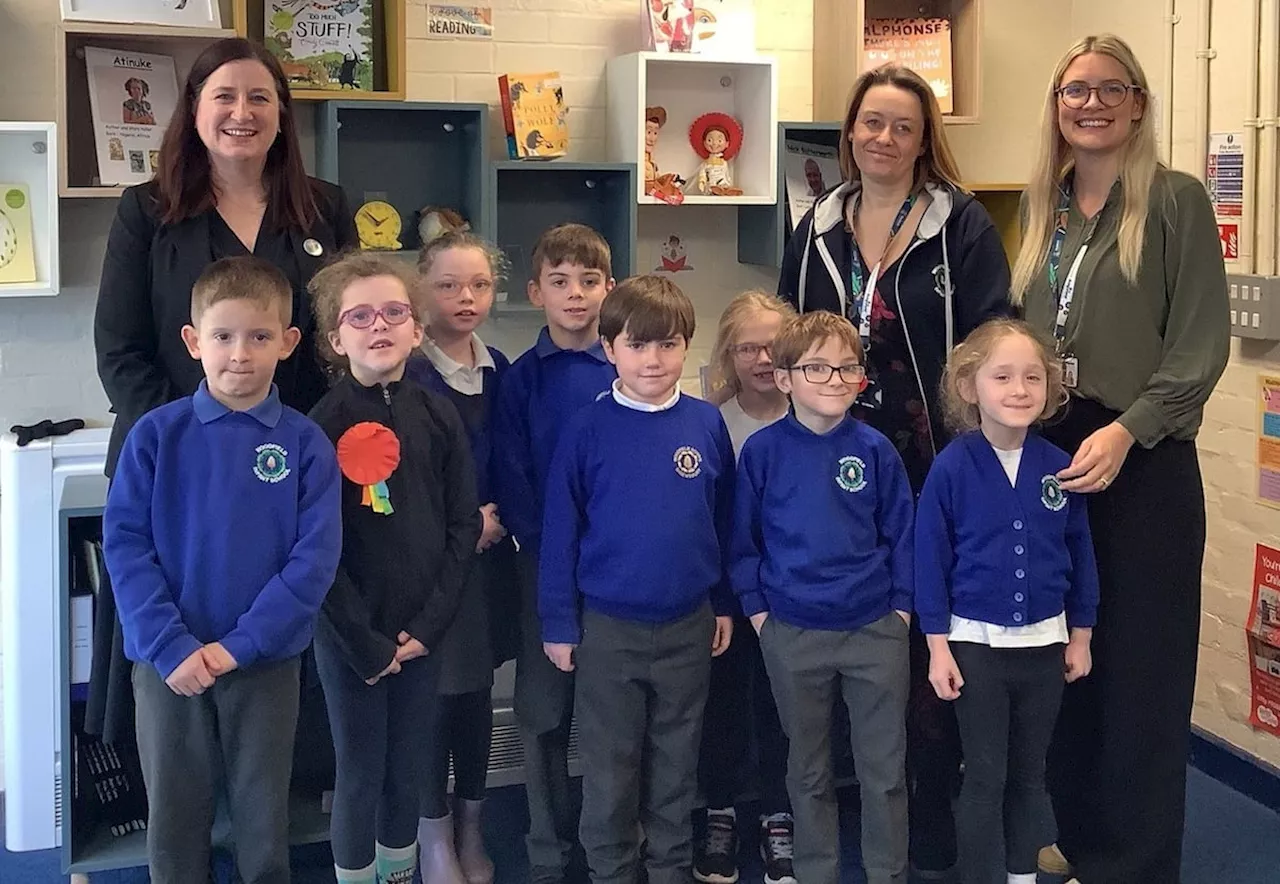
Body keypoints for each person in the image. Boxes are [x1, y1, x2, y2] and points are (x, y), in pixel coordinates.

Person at [776, 63, 1012, 876]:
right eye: (870, 122)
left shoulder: (961, 224)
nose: (883, 137)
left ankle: (930, 803)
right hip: (829, 452)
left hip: (931, 457)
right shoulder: (815, 224)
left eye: (902, 126)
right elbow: (787, 329)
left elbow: (988, 335)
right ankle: (852, 794)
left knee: (925, 631)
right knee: (848, 623)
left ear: (924, 141)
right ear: (849, 132)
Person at [91, 37, 354, 747]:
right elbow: (120, 352)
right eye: (225, 96)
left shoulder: (325, 211)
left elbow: (342, 343)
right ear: (196, 112)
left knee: (277, 683)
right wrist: (192, 443)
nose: (243, 112)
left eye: (260, 97)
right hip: (173, 473)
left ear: (282, 114)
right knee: (175, 702)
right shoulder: (147, 211)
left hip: (288, 473)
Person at [1012, 35, 1230, 884]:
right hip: (1056, 454)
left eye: (1111, 89)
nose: (1090, 103)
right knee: (1068, 658)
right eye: (1074, 90)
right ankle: (1079, 834)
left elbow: (1200, 346)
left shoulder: (1175, 202)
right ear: (1057, 105)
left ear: (1138, 104)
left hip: (1141, 463)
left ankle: (1136, 862)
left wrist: (1130, 428)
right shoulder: (1045, 207)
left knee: (1140, 669)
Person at [102, 256, 343, 884]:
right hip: (167, 664)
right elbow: (126, 546)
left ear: (289, 343)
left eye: (261, 336)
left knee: (263, 813)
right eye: (223, 336)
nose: (241, 354)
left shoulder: (305, 443)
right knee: (176, 814)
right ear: (193, 340)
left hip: (263, 661)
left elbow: (313, 561)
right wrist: (169, 646)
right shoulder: (155, 435)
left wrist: (238, 647)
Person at [539, 275, 736, 884]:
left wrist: (723, 603)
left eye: (669, 345)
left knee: (677, 763)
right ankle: (612, 871)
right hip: (608, 629)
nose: (654, 360)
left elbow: (723, 521)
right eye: (637, 345)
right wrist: (558, 623)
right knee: (611, 766)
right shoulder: (586, 428)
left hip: (688, 624)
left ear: (687, 348)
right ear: (609, 350)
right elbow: (559, 533)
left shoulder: (705, 424)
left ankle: (670, 868)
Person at [307, 253, 481, 884]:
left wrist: (429, 628)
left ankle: (400, 874)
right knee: (360, 769)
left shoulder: (439, 417)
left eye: (394, 312)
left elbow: (464, 525)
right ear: (335, 338)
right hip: (352, 638)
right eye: (360, 316)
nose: (378, 326)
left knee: (408, 766)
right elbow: (313, 550)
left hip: (421, 636)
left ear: (416, 329)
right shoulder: (318, 428)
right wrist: (364, 642)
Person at [732, 310, 915, 884]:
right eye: (817, 368)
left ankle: (887, 873)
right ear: (784, 378)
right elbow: (743, 540)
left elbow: (902, 536)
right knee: (807, 769)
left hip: (874, 632)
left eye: (846, 368)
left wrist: (902, 612)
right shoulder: (762, 453)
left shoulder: (877, 449)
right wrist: (760, 615)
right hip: (793, 632)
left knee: (883, 769)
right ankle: (816, 871)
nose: (834, 380)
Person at [914, 319, 1099, 884]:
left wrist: (1082, 634)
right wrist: (937, 647)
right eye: (1003, 377)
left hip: (1045, 646)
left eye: (1032, 378)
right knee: (985, 773)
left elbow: (1080, 552)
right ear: (971, 387)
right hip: (976, 647)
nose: (1019, 390)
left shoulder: (1057, 466)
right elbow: (931, 560)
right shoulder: (952, 467)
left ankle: (1022, 875)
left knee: (1029, 773)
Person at [491, 222, 618, 884]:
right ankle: (547, 848)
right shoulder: (520, 381)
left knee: (611, 715)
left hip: (618, 576)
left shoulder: (629, 370)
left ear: (610, 288)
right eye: (560, 282)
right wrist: (548, 554)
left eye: (590, 281)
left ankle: (610, 846)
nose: (576, 295)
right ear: (536, 291)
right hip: (544, 570)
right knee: (543, 712)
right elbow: (512, 476)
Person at [404, 230, 518, 884]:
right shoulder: (408, 369)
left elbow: (508, 456)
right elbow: (403, 477)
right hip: (432, 567)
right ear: (422, 290)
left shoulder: (498, 365)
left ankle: (473, 828)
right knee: (433, 700)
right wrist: (459, 525)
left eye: (478, 284)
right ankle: (435, 836)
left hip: (489, 563)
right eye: (447, 285)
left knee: (475, 695)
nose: (465, 297)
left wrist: (500, 517)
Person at [695, 291, 796, 884]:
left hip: (792, 599)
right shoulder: (712, 423)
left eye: (774, 346)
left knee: (786, 711)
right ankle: (722, 811)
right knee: (725, 707)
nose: (762, 358)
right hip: (729, 601)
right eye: (748, 347)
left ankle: (778, 815)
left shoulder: (812, 413)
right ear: (728, 355)